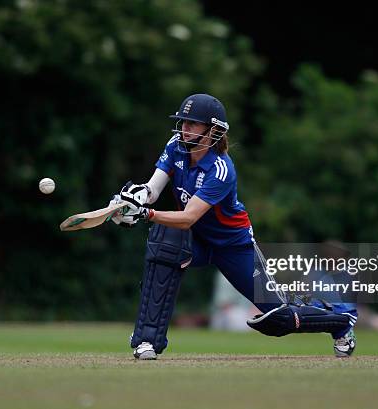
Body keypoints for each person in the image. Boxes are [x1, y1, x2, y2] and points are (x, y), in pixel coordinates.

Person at [110, 93, 358, 359]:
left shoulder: (221, 169)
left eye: (192, 124)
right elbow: (153, 188)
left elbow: (189, 216)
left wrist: (145, 214)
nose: (184, 129)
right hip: (196, 240)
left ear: (213, 130)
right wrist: (131, 201)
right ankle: (146, 340)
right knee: (164, 244)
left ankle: (340, 320)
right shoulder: (175, 145)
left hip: (233, 246)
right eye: (183, 122)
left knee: (280, 317)